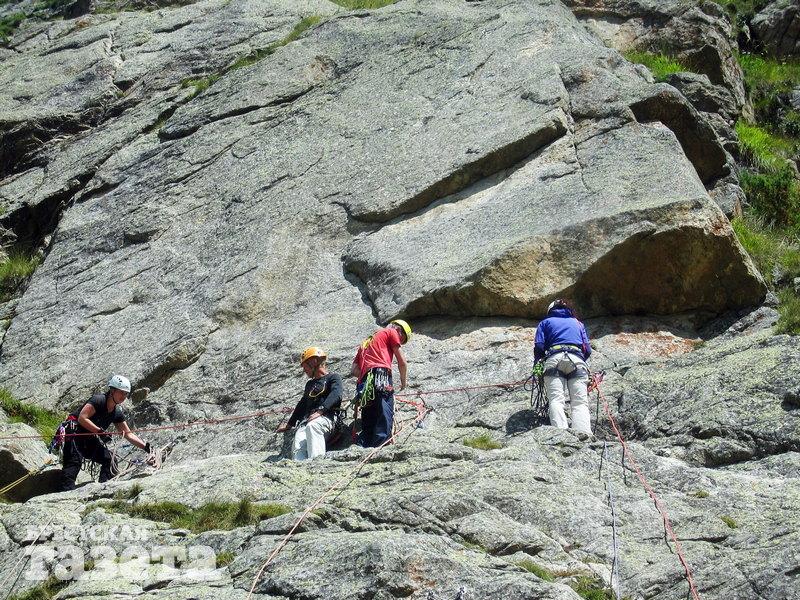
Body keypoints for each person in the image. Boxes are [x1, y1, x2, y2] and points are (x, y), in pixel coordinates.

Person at [60, 375, 151, 491]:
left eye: (126, 394)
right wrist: (100, 432)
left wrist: (146, 447)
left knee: (110, 460)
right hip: (74, 435)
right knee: (74, 464)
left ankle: (103, 489)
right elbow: (82, 418)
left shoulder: (116, 413)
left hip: (88, 438)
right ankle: (64, 493)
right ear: (112, 391)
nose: (123, 396)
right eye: (121, 392)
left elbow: (128, 434)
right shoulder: (98, 401)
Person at [533, 300, 593, 435]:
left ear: (550, 310)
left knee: (556, 399)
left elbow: (539, 346)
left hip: (554, 359)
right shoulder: (578, 323)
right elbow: (587, 350)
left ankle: (561, 435)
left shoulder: (545, 322)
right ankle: (584, 433)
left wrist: (538, 362)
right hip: (576, 361)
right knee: (580, 402)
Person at [351, 320, 410, 447]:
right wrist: (403, 383)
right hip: (381, 375)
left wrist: (368, 373)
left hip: (365, 382)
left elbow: (354, 370)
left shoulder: (365, 343)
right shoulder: (391, 331)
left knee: (369, 414)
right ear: (399, 330)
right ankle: (382, 444)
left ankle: (364, 445)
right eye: (402, 339)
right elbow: (402, 362)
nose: (399, 341)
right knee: (384, 408)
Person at [277, 347, 343, 460]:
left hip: (328, 419)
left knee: (313, 426)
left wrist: (320, 411)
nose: (304, 370)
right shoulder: (309, 384)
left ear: (314, 362)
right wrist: (289, 424)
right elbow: (302, 405)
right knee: (298, 441)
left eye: (305, 366)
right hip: (308, 422)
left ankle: (316, 463)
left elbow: (336, 395)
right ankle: (301, 467)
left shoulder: (333, 378)